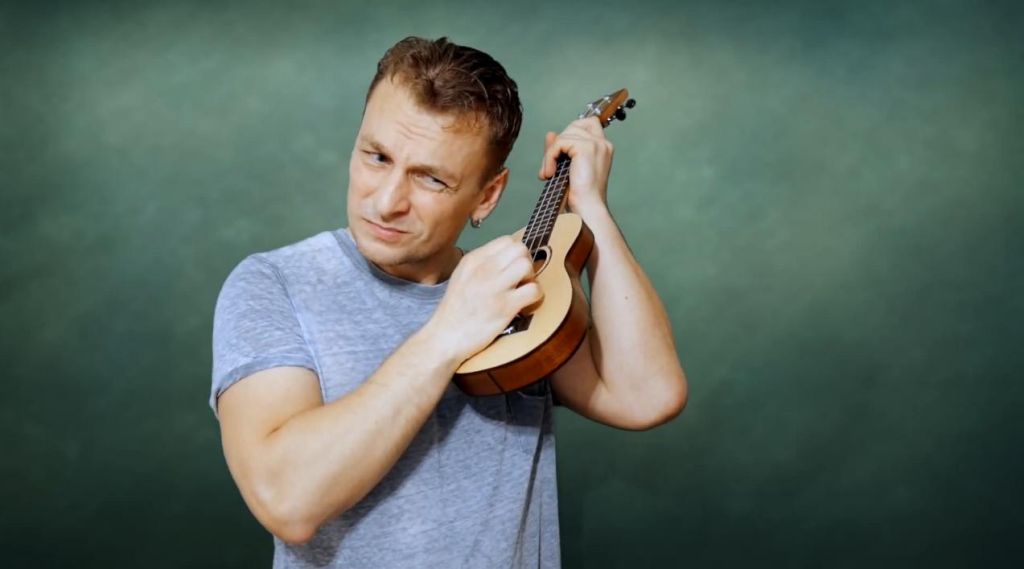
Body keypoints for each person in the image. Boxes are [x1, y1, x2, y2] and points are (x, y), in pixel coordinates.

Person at [209, 36, 687, 568]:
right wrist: (448, 333)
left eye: (431, 179)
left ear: (487, 196)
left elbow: (647, 396)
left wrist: (589, 206)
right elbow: (287, 500)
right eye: (376, 157)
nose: (387, 202)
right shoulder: (274, 283)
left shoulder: (516, 294)